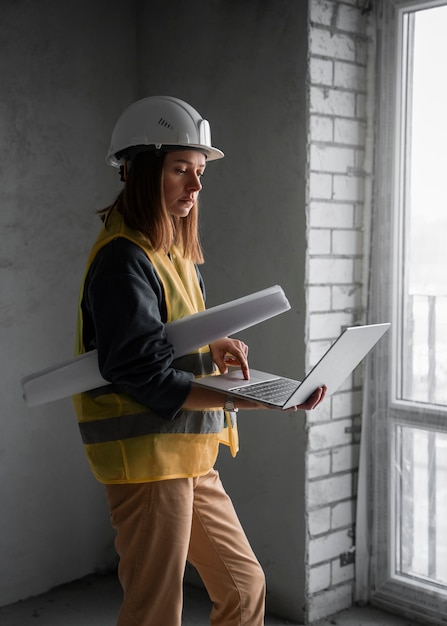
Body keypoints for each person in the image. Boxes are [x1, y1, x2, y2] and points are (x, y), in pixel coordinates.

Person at [72, 96, 326, 626]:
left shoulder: (169, 248)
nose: (196, 185)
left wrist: (211, 345)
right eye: (181, 169)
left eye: (201, 170)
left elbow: (157, 334)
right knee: (155, 612)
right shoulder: (123, 259)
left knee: (244, 586)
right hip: (148, 465)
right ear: (141, 171)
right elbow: (143, 374)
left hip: (188, 455)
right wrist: (250, 397)